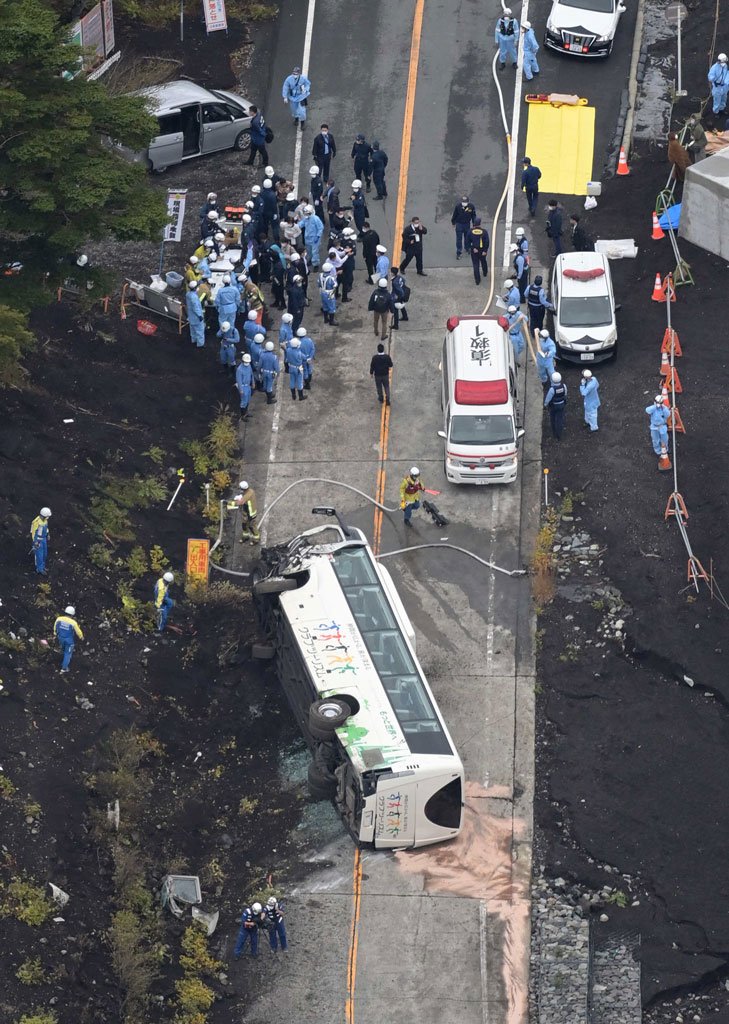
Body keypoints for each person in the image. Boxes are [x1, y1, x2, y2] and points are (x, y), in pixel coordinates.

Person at [54, 606, 83, 673]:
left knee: (64, 649)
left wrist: (55, 633)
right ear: (72, 614)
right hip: (69, 640)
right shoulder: (73, 623)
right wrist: (81, 637)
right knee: (68, 653)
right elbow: (78, 632)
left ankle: (63, 660)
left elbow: (55, 627)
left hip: (60, 638)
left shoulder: (59, 619)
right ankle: (64, 668)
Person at [451, 195, 477, 259]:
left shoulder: (471, 207)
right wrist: (453, 222)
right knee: (459, 239)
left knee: (467, 237)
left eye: (465, 202)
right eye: (463, 202)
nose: (464, 203)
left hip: (467, 224)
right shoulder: (458, 206)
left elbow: (473, 216)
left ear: (468, 202)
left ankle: (467, 247)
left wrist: (474, 224)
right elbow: (455, 214)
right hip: (459, 224)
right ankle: (459, 252)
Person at [466, 218, 489, 285]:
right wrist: (485, 250)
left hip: (474, 250)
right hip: (482, 250)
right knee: (483, 261)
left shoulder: (470, 231)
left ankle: (477, 281)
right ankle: (485, 272)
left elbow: (467, 241)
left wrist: (472, 249)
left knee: (476, 265)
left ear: (473, 224)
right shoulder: (484, 232)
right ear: (480, 223)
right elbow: (487, 242)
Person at [544, 372, 567, 439]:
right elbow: (565, 394)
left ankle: (554, 432)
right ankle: (559, 434)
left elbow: (548, 398)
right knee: (560, 419)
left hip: (554, 406)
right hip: (561, 404)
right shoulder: (564, 386)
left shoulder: (552, 389)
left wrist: (545, 404)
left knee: (553, 418)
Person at [30, 506, 52, 575]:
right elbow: (33, 532)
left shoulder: (45, 521)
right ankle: (39, 569)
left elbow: (46, 528)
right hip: (38, 541)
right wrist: (35, 541)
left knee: (44, 554)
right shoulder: (36, 522)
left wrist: (48, 534)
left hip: (44, 539)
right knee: (39, 555)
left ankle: (43, 566)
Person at [287, 336, 308, 400]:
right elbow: (304, 358)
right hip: (299, 368)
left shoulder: (288, 350)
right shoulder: (299, 353)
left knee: (292, 381)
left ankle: (293, 395)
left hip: (291, 367)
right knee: (299, 382)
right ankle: (300, 396)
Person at [186, 280, 206, 347]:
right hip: (196, 317)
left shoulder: (188, 294)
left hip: (191, 316)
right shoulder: (194, 297)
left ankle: (193, 341)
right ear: (194, 288)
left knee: (193, 331)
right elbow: (195, 308)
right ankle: (200, 345)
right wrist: (200, 316)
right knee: (200, 331)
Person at [259, 341, 279, 405]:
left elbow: (259, 365)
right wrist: (278, 373)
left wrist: (259, 371)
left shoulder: (262, 355)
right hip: (270, 373)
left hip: (264, 372)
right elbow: (276, 367)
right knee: (269, 386)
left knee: (265, 384)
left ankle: (269, 395)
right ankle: (269, 400)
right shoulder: (274, 357)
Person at [236, 352, 255, 418]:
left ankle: (246, 413)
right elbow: (239, 380)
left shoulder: (249, 366)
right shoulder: (239, 369)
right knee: (243, 402)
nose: (247, 363)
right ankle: (243, 415)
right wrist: (241, 389)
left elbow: (251, 374)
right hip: (243, 387)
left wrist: (253, 382)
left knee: (248, 400)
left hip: (248, 386)